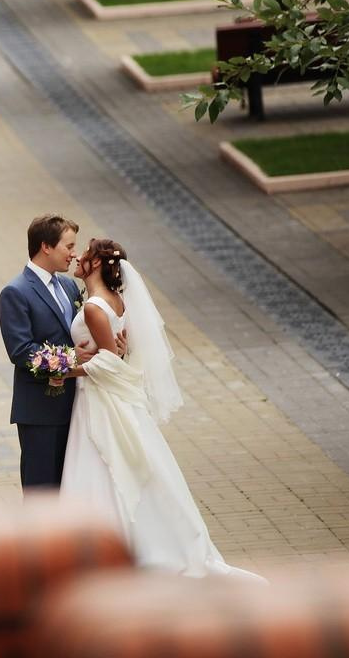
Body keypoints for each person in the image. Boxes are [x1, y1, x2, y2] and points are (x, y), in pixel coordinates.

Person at [62, 237, 263, 580]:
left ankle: (116, 548)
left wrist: (66, 369)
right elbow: (118, 352)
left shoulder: (96, 306)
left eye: (85, 253)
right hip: (110, 396)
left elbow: (109, 360)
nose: (78, 256)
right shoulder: (117, 300)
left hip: (101, 398)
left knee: (106, 465)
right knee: (126, 464)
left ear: (96, 264)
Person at [0, 215, 124, 492]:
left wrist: (114, 349)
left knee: (74, 491)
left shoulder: (68, 286)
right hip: (41, 411)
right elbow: (21, 351)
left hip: (79, 407)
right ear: (46, 246)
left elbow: (87, 334)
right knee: (42, 492)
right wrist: (71, 358)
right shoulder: (15, 292)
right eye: (68, 246)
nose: (74, 254)